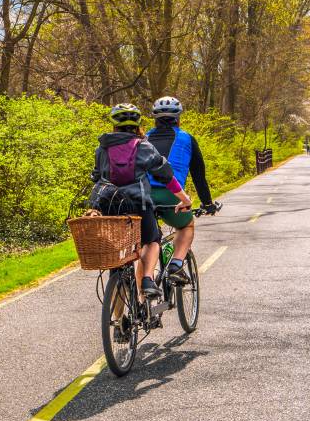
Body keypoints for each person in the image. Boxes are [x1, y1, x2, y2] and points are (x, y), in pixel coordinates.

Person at [89, 103, 192, 298]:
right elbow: (166, 175)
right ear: (137, 124)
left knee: (117, 263)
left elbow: (96, 177)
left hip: (109, 207)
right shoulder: (143, 146)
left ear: (114, 125)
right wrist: (184, 199)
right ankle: (147, 280)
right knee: (152, 240)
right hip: (138, 205)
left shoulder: (101, 149)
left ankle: (118, 323)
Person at [146, 96, 219, 283]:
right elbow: (198, 176)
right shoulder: (187, 139)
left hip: (143, 196)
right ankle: (176, 264)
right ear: (179, 118)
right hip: (172, 195)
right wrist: (208, 204)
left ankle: (144, 295)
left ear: (155, 119)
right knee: (186, 226)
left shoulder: (144, 138)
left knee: (148, 243)